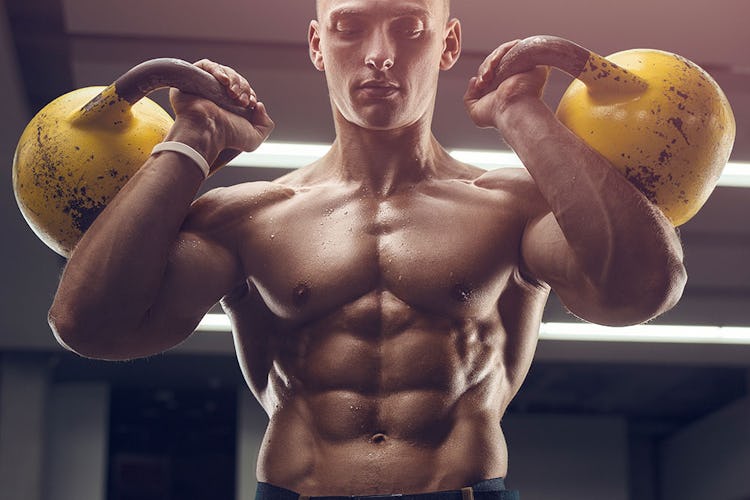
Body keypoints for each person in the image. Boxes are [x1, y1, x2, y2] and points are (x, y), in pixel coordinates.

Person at [48, 0, 687, 498]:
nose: (379, 54)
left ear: (449, 44)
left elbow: (639, 289)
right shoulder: (248, 216)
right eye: (350, 27)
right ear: (317, 44)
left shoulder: (512, 208)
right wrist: (193, 140)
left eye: (410, 28)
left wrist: (523, 113)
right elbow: (92, 325)